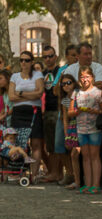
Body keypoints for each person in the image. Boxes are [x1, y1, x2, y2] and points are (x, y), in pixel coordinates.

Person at [63, 43, 102, 188]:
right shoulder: (70, 69)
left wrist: (79, 88)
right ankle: (84, 182)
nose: (89, 56)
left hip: (95, 123)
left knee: (96, 154)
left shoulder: (98, 67)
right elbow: (65, 87)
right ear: (78, 56)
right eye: (85, 54)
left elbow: (101, 86)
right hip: (79, 122)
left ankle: (98, 182)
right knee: (83, 155)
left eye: (90, 53)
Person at [68, 66, 102, 194]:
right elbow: (70, 112)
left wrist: (95, 111)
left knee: (95, 156)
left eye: (87, 77)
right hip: (81, 129)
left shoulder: (98, 92)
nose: (85, 79)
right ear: (79, 78)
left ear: (92, 78)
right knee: (85, 157)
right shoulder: (76, 93)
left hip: (94, 128)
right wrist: (76, 111)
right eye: (82, 77)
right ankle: (88, 184)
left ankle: (96, 184)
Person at [8, 51, 44, 178]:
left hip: (34, 111)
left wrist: (21, 93)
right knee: (18, 143)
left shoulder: (37, 75)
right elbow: (11, 97)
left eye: (27, 60)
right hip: (18, 113)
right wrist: (30, 95)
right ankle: (19, 172)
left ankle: (33, 175)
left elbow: (39, 93)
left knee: (36, 144)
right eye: (21, 60)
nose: (24, 62)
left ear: (32, 62)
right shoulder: (14, 76)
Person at [52, 45, 79, 186]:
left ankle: (78, 175)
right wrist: (64, 80)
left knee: (76, 147)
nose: (75, 58)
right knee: (59, 144)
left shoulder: (81, 69)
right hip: (64, 109)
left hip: (78, 112)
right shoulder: (62, 70)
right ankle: (70, 173)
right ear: (67, 56)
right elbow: (56, 91)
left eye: (77, 55)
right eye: (72, 55)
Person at [40, 45, 63, 183]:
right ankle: (54, 172)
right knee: (49, 145)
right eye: (45, 57)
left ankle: (58, 173)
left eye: (50, 56)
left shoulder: (60, 71)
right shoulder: (41, 74)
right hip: (46, 111)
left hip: (58, 109)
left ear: (55, 56)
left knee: (57, 143)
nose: (48, 59)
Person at [58, 74, 80, 190]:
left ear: (74, 82)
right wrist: (67, 136)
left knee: (81, 155)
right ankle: (77, 180)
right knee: (74, 155)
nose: (66, 85)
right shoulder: (65, 100)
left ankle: (83, 180)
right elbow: (65, 119)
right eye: (63, 84)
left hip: (83, 125)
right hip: (72, 128)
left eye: (68, 82)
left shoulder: (80, 94)